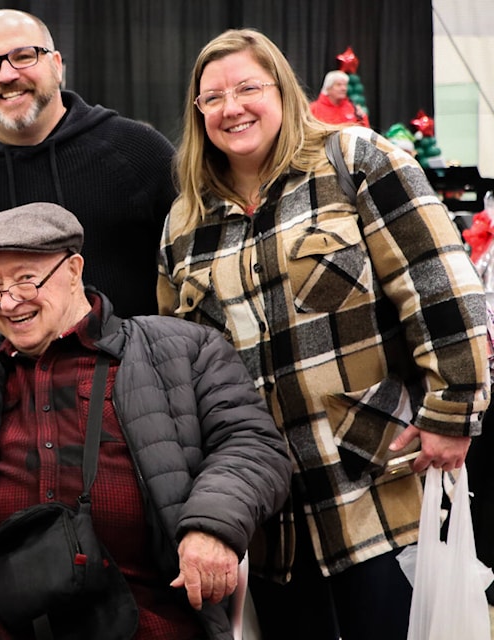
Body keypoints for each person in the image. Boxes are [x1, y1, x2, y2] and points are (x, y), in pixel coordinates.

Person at [157, 29, 490, 640]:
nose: (232, 107)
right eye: (213, 97)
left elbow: (440, 285)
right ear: (197, 112)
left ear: (283, 89)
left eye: (248, 88)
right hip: (272, 519)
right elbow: (185, 367)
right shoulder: (185, 223)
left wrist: (452, 413)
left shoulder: (357, 161)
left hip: (380, 487)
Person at [0, 202, 292, 639]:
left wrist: (213, 525)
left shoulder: (183, 350)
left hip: (147, 602)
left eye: (25, 280)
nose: (8, 302)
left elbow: (253, 444)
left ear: (74, 269)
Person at [0, 8, 176, 386]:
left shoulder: (139, 154)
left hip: (139, 394)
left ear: (56, 64)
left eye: (23, 56)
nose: (7, 74)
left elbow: (190, 266)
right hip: (9, 415)